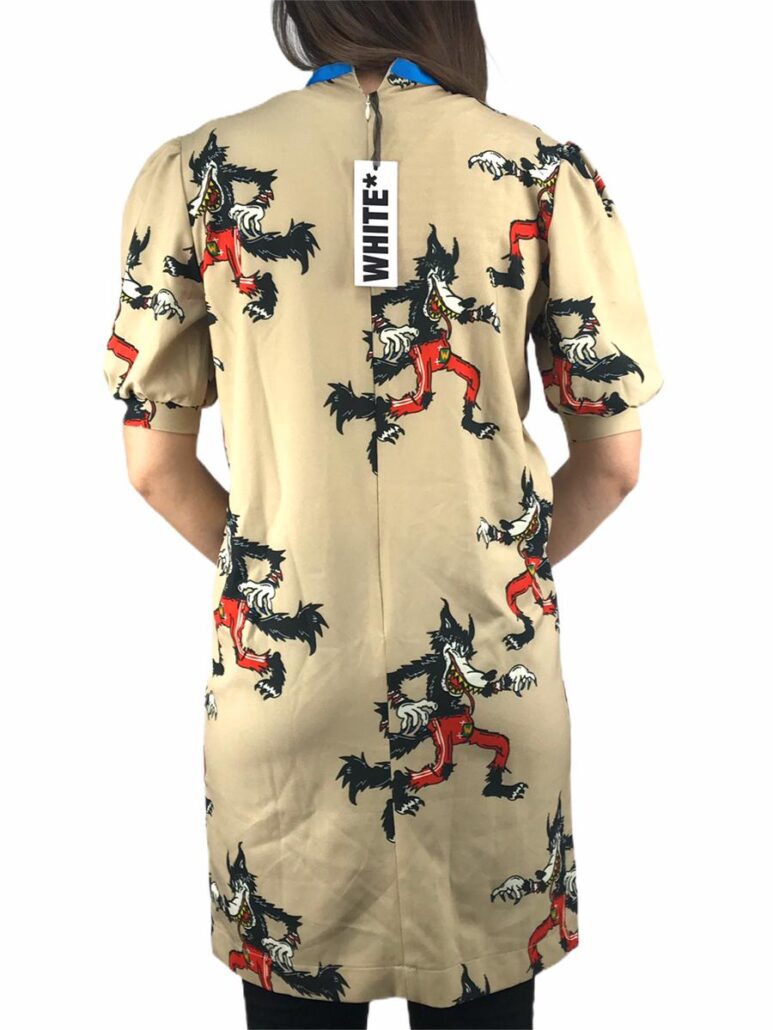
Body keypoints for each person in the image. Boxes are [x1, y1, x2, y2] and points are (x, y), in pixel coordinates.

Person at [101, 2, 662, 1027]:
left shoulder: (197, 174)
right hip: (484, 683)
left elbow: (153, 466)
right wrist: (504, 567)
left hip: (283, 697)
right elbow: (612, 464)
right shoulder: (541, 173)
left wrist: (271, 577)